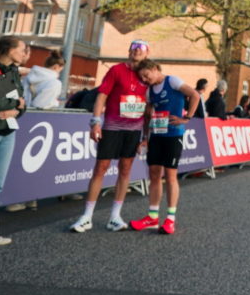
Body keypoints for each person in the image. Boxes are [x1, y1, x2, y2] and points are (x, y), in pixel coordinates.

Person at [69, 39, 152, 233]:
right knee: (101, 168)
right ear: (128, 51)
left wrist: (146, 136)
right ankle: (87, 216)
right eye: (133, 47)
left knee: (125, 170)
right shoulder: (116, 70)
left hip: (133, 130)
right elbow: (102, 95)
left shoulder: (147, 75)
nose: (137, 51)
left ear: (147, 53)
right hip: (112, 127)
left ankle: (115, 216)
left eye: (141, 48)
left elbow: (149, 109)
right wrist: (95, 121)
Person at [128, 60, 200, 236]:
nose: (145, 79)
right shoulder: (149, 91)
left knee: (170, 176)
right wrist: (145, 138)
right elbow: (147, 116)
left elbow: (195, 95)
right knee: (153, 175)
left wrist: (187, 118)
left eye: (146, 75)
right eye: (142, 77)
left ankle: (170, 219)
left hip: (174, 135)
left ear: (154, 69)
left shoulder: (172, 81)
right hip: (157, 135)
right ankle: (152, 217)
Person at [0, 36, 28, 246]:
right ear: (8, 49)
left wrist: (14, 110)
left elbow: (23, 103)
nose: (25, 53)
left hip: (8, 132)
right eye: (22, 49)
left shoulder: (13, 72)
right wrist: (12, 104)